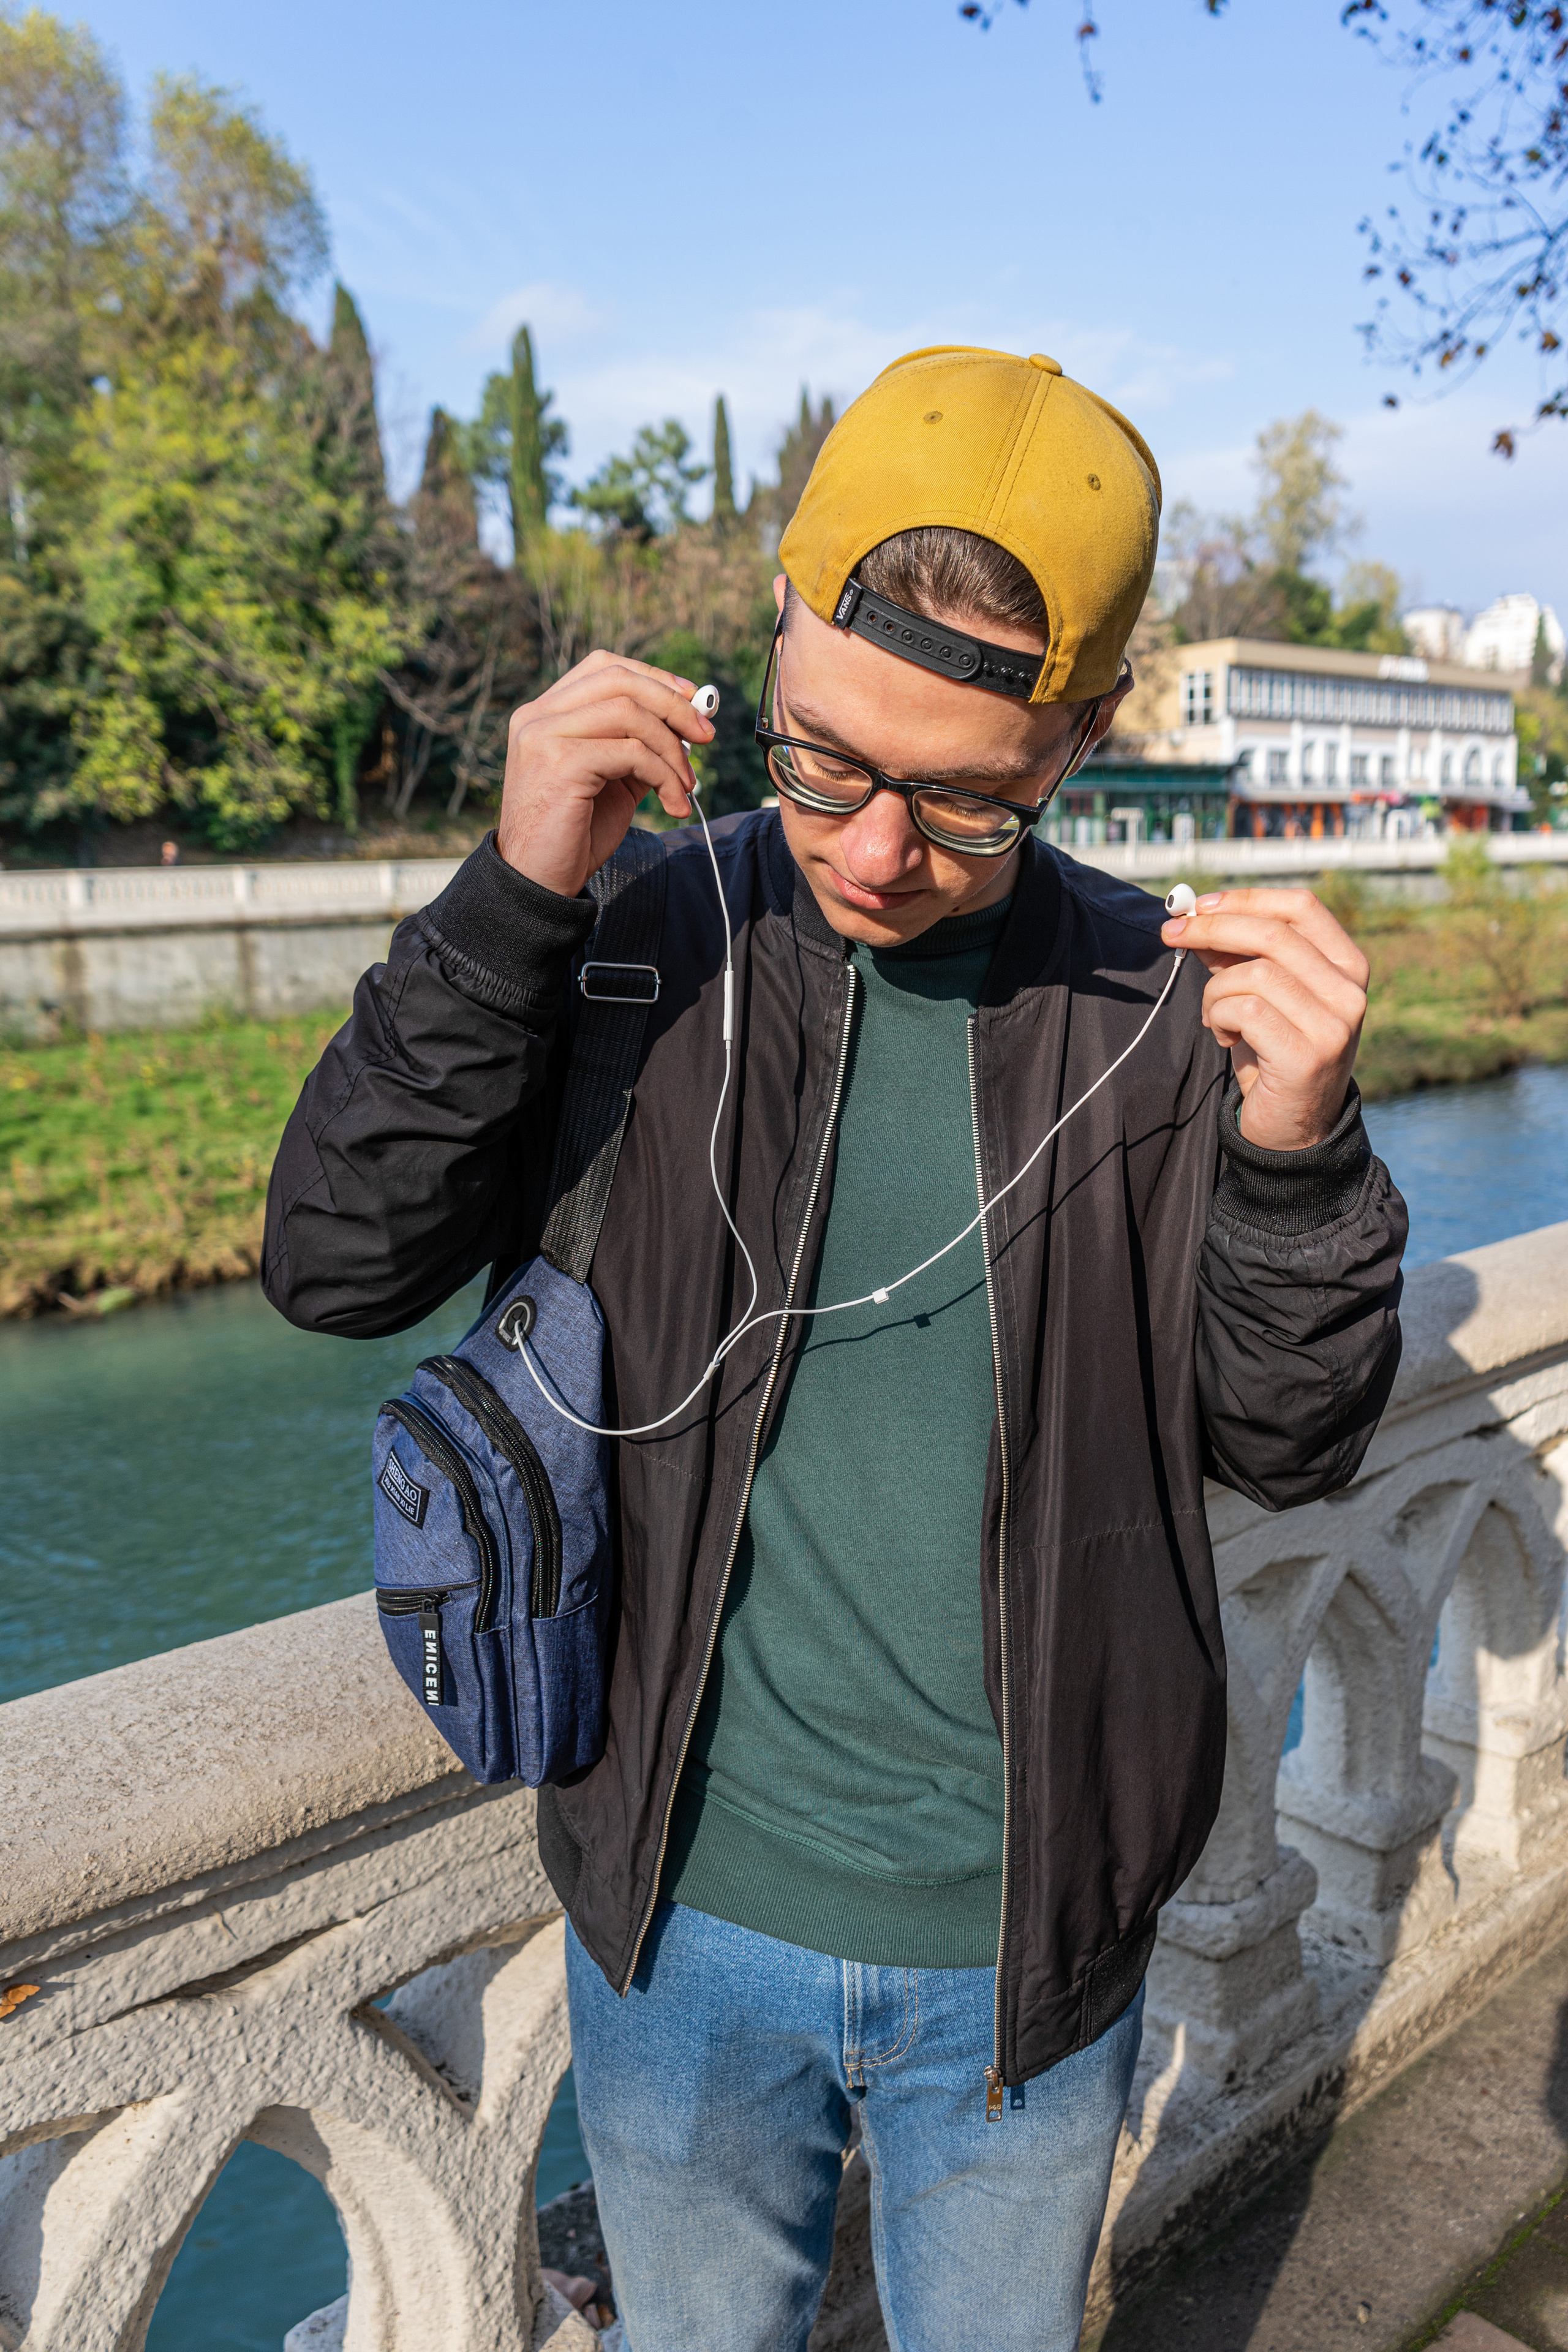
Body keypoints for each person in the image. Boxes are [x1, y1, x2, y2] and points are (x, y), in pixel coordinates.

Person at [263, 346, 1405, 2352]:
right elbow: (336, 1259)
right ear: (772, 635)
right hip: (677, 1918)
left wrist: (1300, 1159)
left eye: (968, 797)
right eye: (821, 761)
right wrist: (508, 895)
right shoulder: (633, 937)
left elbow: (1290, 1440)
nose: (876, 851)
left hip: (1025, 1960)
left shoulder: (1156, 1013)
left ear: (1086, 737)